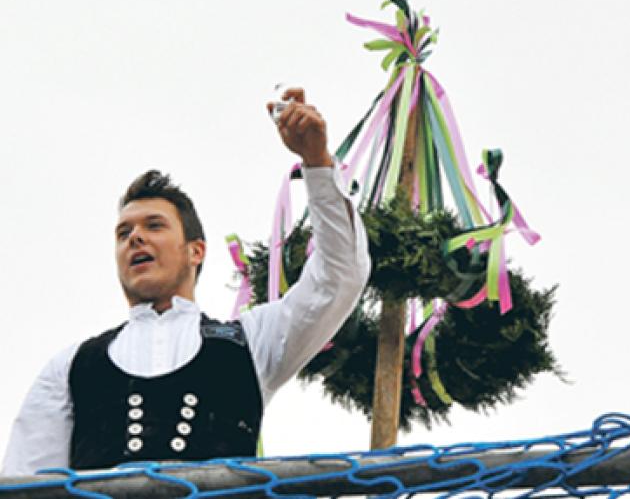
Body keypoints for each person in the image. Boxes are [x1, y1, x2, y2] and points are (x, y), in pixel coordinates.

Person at [1, 88, 371, 475]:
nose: (135, 238)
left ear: (196, 251)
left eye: (154, 226)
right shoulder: (70, 366)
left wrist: (316, 162)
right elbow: (23, 482)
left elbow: (337, 279)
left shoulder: (253, 342)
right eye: (123, 232)